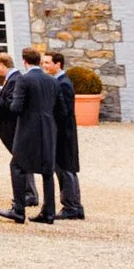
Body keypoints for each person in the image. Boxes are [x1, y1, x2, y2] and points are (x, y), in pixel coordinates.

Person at [0, 47, 60, 225]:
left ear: (24, 62)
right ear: (39, 61)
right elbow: (60, 108)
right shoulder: (52, 81)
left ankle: (19, 210)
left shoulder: (24, 79)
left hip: (28, 129)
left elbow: (15, 108)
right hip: (48, 128)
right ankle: (49, 212)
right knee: (47, 170)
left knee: (17, 165)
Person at [44, 52, 86, 220]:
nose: (44, 66)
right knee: (63, 169)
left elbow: (65, 112)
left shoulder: (63, 84)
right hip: (60, 133)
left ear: (58, 64)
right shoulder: (59, 82)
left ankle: (72, 206)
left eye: (47, 63)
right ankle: (72, 205)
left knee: (66, 169)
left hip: (63, 134)